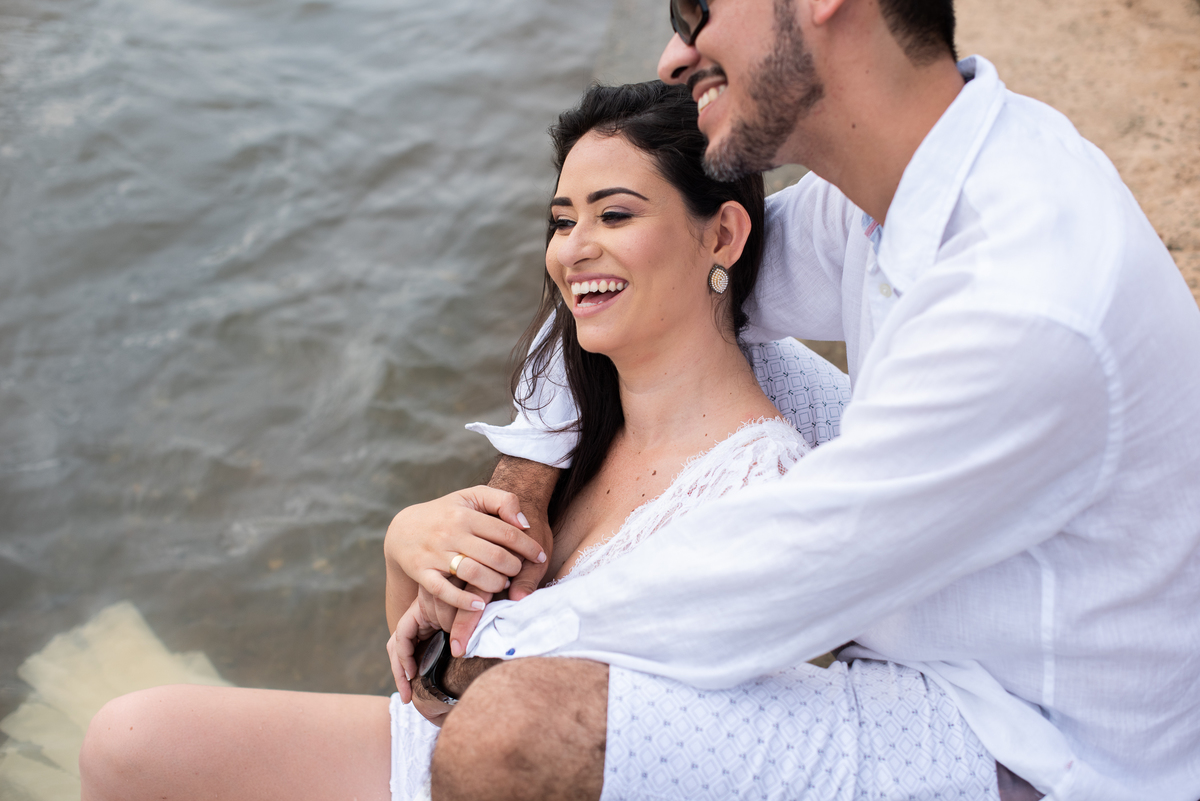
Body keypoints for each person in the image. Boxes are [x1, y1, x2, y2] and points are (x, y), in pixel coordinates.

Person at [398, 1, 1200, 800]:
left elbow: (785, 570)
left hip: (1035, 744)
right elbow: (627, 285)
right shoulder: (904, 186)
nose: (674, 55)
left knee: (516, 732)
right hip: (934, 640)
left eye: (698, 9)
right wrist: (518, 499)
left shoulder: (1023, 293)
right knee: (684, 313)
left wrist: (490, 633)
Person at [77, 81, 818, 801]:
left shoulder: (758, 488)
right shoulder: (574, 424)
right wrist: (407, 544)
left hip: (538, 773)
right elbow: (427, 685)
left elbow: (594, 742)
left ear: (722, 235)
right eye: (562, 222)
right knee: (130, 742)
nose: (573, 250)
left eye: (614, 215)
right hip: (442, 748)